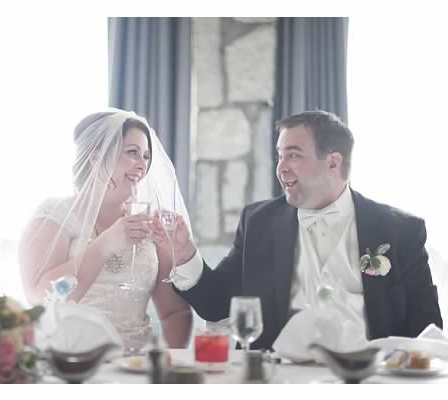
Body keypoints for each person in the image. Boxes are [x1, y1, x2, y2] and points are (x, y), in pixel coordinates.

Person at [161, 110, 443, 350]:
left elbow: (425, 326)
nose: (281, 167)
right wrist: (186, 254)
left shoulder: (401, 231)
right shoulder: (258, 222)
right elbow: (217, 304)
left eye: (293, 156)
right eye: (279, 156)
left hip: (368, 379)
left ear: (333, 162)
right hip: (277, 377)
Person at [18, 109, 193, 353]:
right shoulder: (56, 214)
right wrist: (104, 245)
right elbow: (40, 298)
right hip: (70, 365)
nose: (142, 164)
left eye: (146, 156)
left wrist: (167, 368)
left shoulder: (150, 225)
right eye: (132, 152)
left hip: (136, 370)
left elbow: (175, 312)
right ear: (96, 157)